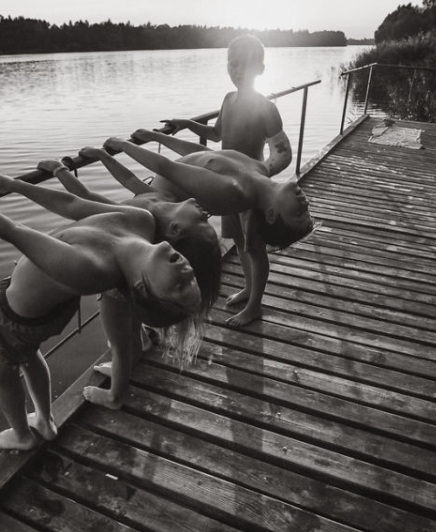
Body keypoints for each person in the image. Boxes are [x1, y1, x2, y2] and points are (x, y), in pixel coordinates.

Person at [0, 182, 204, 450]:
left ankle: (23, 435)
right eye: (194, 281)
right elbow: (71, 204)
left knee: (2, 372)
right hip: (45, 306)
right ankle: (45, 420)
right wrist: (17, 185)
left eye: (180, 287)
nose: (188, 273)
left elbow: (14, 231)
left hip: (13, 314)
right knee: (28, 355)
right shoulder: (141, 220)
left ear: (142, 288)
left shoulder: (91, 268)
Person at [34, 151, 222, 409]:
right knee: (129, 328)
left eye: (202, 219)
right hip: (133, 278)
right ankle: (140, 346)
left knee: (119, 343)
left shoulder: (150, 216)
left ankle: (115, 396)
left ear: (175, 230)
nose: (205, 210)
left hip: (118, 288)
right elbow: (131, 180)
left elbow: (83, 201)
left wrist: (60, 171)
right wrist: (103, 155)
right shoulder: (162, 203)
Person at [105, 129, 315, 326]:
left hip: (165, 210)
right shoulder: (259, 170)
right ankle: (250, 297)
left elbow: (167, 168)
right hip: (160, 199)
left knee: (131, 278)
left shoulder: (232, 191)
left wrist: (123, 145)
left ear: (270, 214)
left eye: (297, 213)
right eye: (306, 210)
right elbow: (201, 154)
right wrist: (157, 137)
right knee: (251, 246)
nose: (305, 203)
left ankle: (144, 332)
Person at [161, 34, 292, 177]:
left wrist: (258, 176)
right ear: (227, 66)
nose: (239, 71)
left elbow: (283, 155)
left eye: (247, 64)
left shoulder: (265, 107)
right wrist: (188, 124)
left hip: (250, 182)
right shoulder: (228, 99)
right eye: (234, 64)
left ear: (260, 69)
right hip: (225, 177)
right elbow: (216, 134)